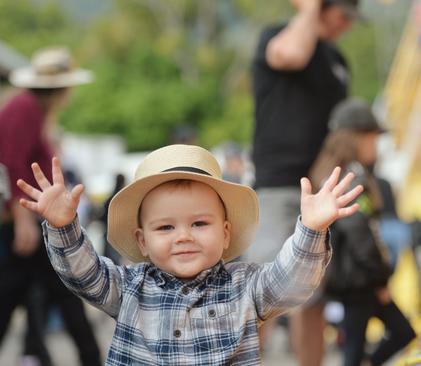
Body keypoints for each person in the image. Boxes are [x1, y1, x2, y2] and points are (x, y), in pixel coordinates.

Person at [15, 144, 363, 365]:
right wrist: (63, 226)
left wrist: (312, 229)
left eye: (199, 223)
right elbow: (83, 273)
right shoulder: (129, 287)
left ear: (225, 233)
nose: (183, 237)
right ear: (143, 240)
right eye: (165, 228)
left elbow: (292, 282)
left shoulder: (246, 286)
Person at [249, 0, 361, 363]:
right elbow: (292, 56)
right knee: (260, 295)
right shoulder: (278, 38)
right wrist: (310, 8)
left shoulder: (337, 61)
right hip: (277, 185)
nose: (347, 26)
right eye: (343, 15)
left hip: (319, 191)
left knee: (311, 299)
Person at [0, 46, 101, 366]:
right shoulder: (25, 107)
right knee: (57, 292)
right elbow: (10, 163)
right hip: (24, 221)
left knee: (31, 293)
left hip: (34, 219)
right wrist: (23, 220)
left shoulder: (32, 110)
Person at [312, 99, 415, 366]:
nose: (376, 145)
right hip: (360, 281)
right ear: (355, 139)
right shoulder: (350, 178)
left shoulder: (333, 175)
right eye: (372, 138)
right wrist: (380, 278)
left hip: (353, 279)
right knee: (396, 334)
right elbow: (360, 232)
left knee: (357, 349)